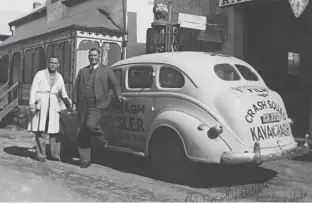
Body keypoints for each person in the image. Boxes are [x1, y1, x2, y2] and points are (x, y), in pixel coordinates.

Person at [72, 48, 126, 168]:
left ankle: (102, 139)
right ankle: (85, 160)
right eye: (91, 56)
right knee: (82, 133)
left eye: (95, 55)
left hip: (97, 105)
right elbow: (76, 88)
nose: (93, 58)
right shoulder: (82, 71)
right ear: (88, 57)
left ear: (99, 56)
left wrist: (119, 95)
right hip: (83, 105)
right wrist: (74, 102)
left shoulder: (106, 69)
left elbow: (115, 83)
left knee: (90, 125)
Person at [28, 55, 71, 162]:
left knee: (55, 131)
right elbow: (33, 90)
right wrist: (32, 104)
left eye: (55, 63)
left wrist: (70, 104)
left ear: (58, 65)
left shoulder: (59, 77)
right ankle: (41, 155)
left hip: (54, 106)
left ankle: (55, 155)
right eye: (51, 62)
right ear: (48, 63)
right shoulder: (40, 74)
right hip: (41, 105)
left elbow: (63, 93)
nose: (53, 65)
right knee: (40, 130)